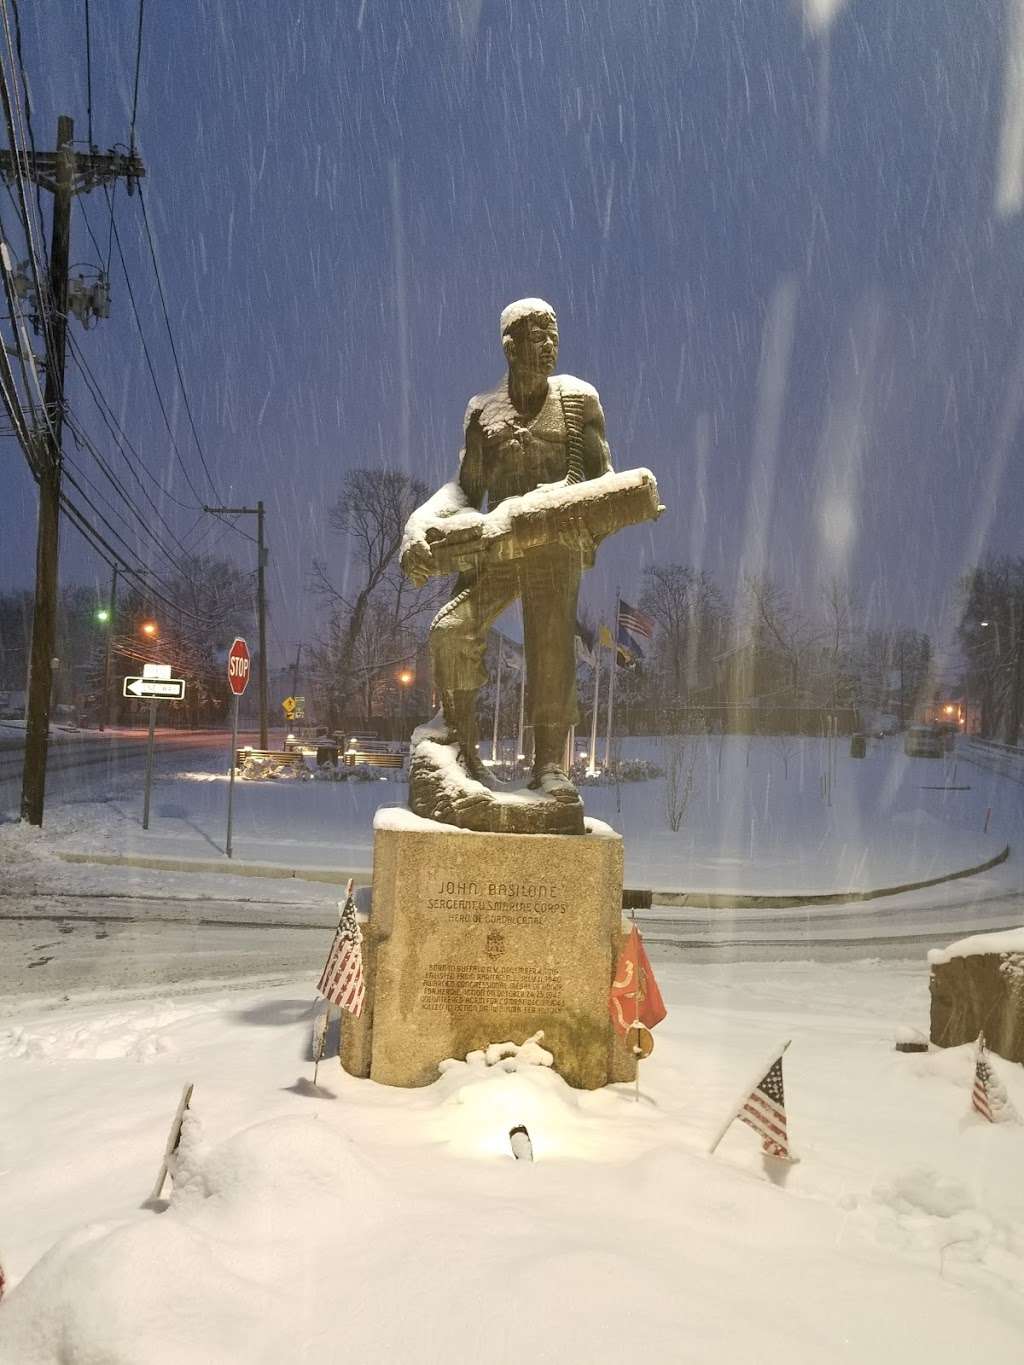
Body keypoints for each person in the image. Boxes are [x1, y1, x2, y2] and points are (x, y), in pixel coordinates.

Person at [402, 298, 612, 802]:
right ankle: (459, 742)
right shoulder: (484, 410)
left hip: (554, 546)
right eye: (538, 335)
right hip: (497, 543)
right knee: (451, 629)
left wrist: (580, 528)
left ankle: (549, 768)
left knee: (550, 647)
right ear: (510, 345)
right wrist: (420, 523)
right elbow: (464, 489)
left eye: (554, 334)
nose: (549, 344)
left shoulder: (578, 401)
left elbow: (606, 485)